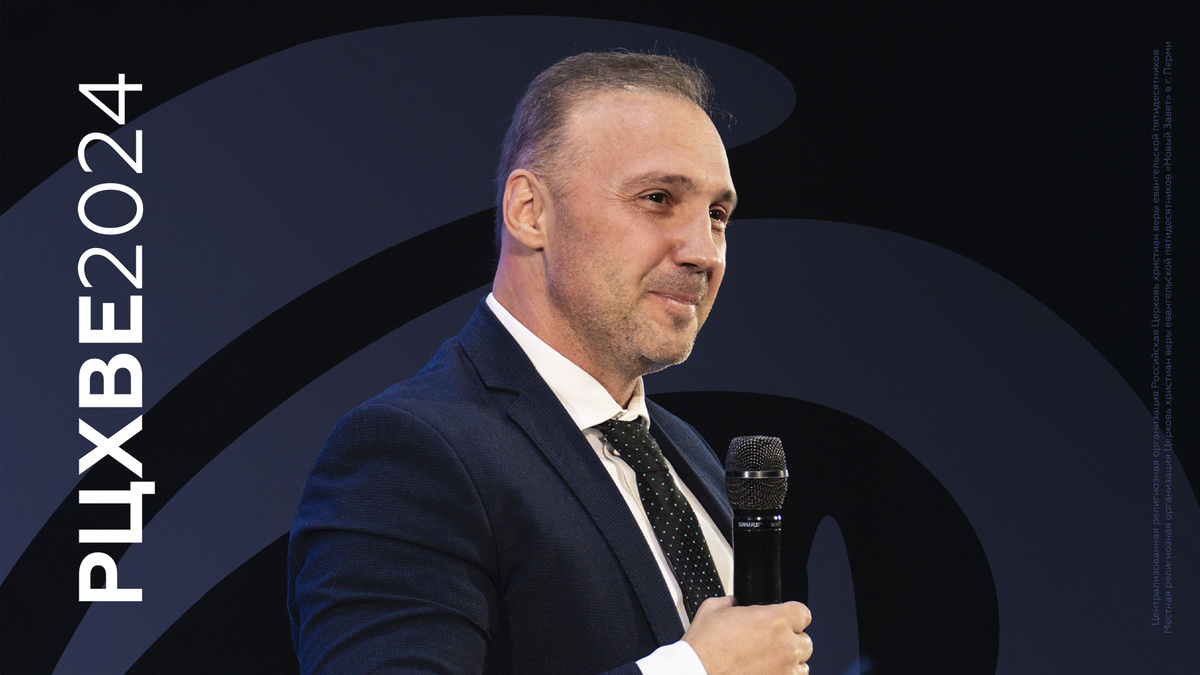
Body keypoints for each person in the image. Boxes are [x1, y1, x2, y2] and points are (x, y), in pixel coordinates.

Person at [287, 51, 813, 674]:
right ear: (530, 212)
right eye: (657, 198)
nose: (704, 252)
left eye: (717, 216)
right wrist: (694, 670)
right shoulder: (407, 453)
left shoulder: (684, 454)